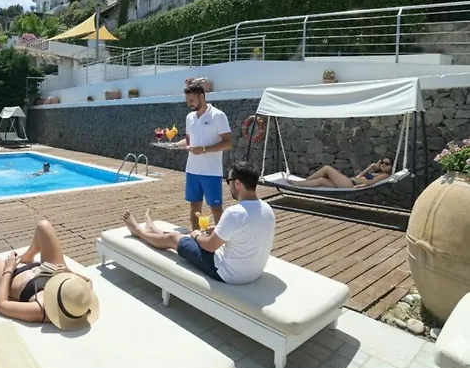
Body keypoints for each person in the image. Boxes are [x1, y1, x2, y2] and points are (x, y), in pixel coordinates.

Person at [122, 162, 276, 284]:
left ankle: (139, 232)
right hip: (253, 273)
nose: (227, 185)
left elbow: (210, 246)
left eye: (228, 181)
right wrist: (218, 230)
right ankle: (153, 229)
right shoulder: (267, 209)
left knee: (175, 238)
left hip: (228, 274)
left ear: (237, 183)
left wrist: (195, 235)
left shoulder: (234, 213)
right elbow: (248, 231)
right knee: (184, 238)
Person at [0, 220, 99, 330]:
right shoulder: (80, 297)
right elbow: (89, 281)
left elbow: (0, 305)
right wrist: (68, 271)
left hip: (15, 276)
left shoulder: (41, 310)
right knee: (44, 226)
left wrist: (9, 269)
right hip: (53, 273)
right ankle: (27, 256)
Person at [173, 79, 232, 231]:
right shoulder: (190, 117)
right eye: (187, 101)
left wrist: (204, 149)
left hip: (211, 172)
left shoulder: (218, 115)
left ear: (201, 96)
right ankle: (195, 236)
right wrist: (175, 145)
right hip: (192, 170)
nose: (189, 104)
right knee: (194, 206)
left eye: (191, 100)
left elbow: (227, 143)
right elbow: (189, 140)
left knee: (216, 208)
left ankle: (221, 240)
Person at [288, 158, 393, 188]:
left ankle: (303, 181)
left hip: (351, 184)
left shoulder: (384, 175)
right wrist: (370, 168)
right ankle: (300, 184)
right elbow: (358, 176)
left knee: (327, 168)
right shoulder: (376, 172)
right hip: (351, 181)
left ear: (391, 166)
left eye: (387, 163)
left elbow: (371, 183)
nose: (383, 164)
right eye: (382, 162)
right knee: (321, 180)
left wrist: (360, 184)